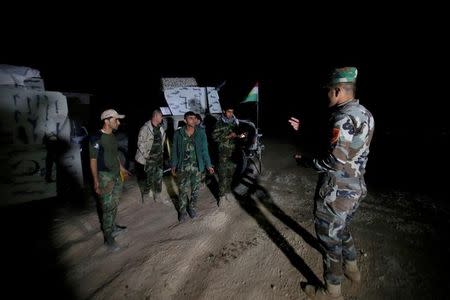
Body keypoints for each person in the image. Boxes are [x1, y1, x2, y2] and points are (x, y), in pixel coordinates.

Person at [289, 67, 375, 299]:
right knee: (343, 230)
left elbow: (335, 161)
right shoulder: (364, 113)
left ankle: (331, 291)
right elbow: (347, 145)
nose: (327, 95)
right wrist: (305, 130)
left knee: (329, 241)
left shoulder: (342, 117)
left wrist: (306, 161)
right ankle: (353, 269)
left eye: (329, 91)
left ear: (338, 91)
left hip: (337, 193)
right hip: (357, 187)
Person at [89, 109, 131, 251]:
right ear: (106, 121)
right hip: (104, 177)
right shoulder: (96, 138)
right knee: (107, 208)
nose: (118, 122)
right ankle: (108, 237)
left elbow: (115, 155)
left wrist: (122, 168)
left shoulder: (112, 136)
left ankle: (113, 227)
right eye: (116, 120)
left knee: (114, 203)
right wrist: (96, 181)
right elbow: (93, 161)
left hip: (116, 175)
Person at [170, 111, 214, 222]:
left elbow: (205, 151)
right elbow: (174, 151)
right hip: (183, 167)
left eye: (194, 118)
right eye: (190, 118)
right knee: (182, 191)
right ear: (185, 120)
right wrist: (173, 165)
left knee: (195, 190)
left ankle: (192, 208)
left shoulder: (201, 133)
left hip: (197, 167)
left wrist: (208, 165)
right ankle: (183, 211)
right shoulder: (178, 134)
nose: (193, 120)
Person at [135, 109, 166, 203]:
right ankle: (146, 194)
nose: (162, 118)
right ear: (156, 116)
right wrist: (145, 155)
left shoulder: (161, 128)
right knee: (149, 178)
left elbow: (162, 141)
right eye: (161, 116)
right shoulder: (145, 128)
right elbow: (140, 143)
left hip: (159, 157)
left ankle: (157, 194)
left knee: (159, 177)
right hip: (150, 158)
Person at [212, 105, 240, 204]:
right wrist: (228, 136)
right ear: (224, 111)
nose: (230, 114)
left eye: (232, 112)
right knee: (222, 175)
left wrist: (239, 135)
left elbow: (237, 135)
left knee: (230, 175)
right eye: (228, 112)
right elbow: (215, 138)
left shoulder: (235, 123)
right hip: (223, 154)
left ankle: (228, 193)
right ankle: (221, 196)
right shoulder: (219, 123)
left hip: (232, 154)